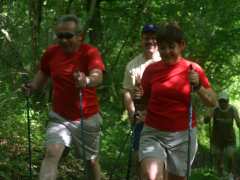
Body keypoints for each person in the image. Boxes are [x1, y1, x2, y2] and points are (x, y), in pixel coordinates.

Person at [22, 14, 105, 180]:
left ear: (79, 36)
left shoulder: (90, 52)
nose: (64, 40)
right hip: (60, 117)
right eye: (60, 36)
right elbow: (44, 72)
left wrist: (87, 80)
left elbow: (98, 75)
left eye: (68, 36)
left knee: (91, 163)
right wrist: (32, 86)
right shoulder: (52, 53)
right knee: (51, 154)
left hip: (86, 118)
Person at [139, 22, 217, 180]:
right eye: (162, 48)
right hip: (153, 132)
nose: (166, 52)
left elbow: (212, 101)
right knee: (151, 175)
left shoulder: (193, 69)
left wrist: (198, 86)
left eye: (171, 47)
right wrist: (137, 98)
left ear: (182, 45)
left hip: (183, 135)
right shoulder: (151, 70)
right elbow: (143, 101)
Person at [123, 24, 161, 178]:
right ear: (141, 40)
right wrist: (132, 113)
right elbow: (126, 91)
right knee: (138, 158)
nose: (150, 41)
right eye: (147, 38)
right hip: (141, 119)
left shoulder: (165, 60)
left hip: (162, 118)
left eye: (153, 38)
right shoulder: (132, 65)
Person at [204, 91, 240, 180]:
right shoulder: (215, 109)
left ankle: (230, 174)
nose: (223, 103)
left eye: (224, 101)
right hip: (217, 139)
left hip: (230, 138)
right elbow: (205, 121)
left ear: (228, 101)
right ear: (219, 101)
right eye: (221, 101)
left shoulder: (233, 109)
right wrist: (207, 117)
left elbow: (238, 122)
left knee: (230, 156)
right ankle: (220, 175)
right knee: (218, 157)